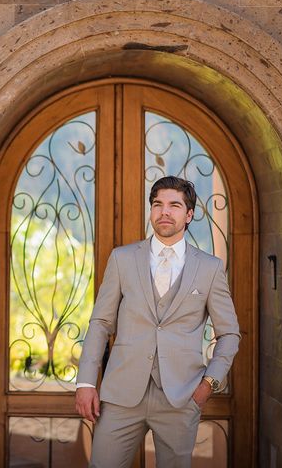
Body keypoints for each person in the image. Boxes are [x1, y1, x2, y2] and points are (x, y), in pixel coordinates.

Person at [75, 176, 240, 468]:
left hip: (181, 397)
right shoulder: (122, 259)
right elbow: (100, 322)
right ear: (151, 210)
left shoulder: (209, 268)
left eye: (174, 205)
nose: (165, 212)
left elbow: (229, 334)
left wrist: (208, 383)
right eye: (158, 204)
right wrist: (86, 382)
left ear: (189, 215)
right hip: (122, 395)